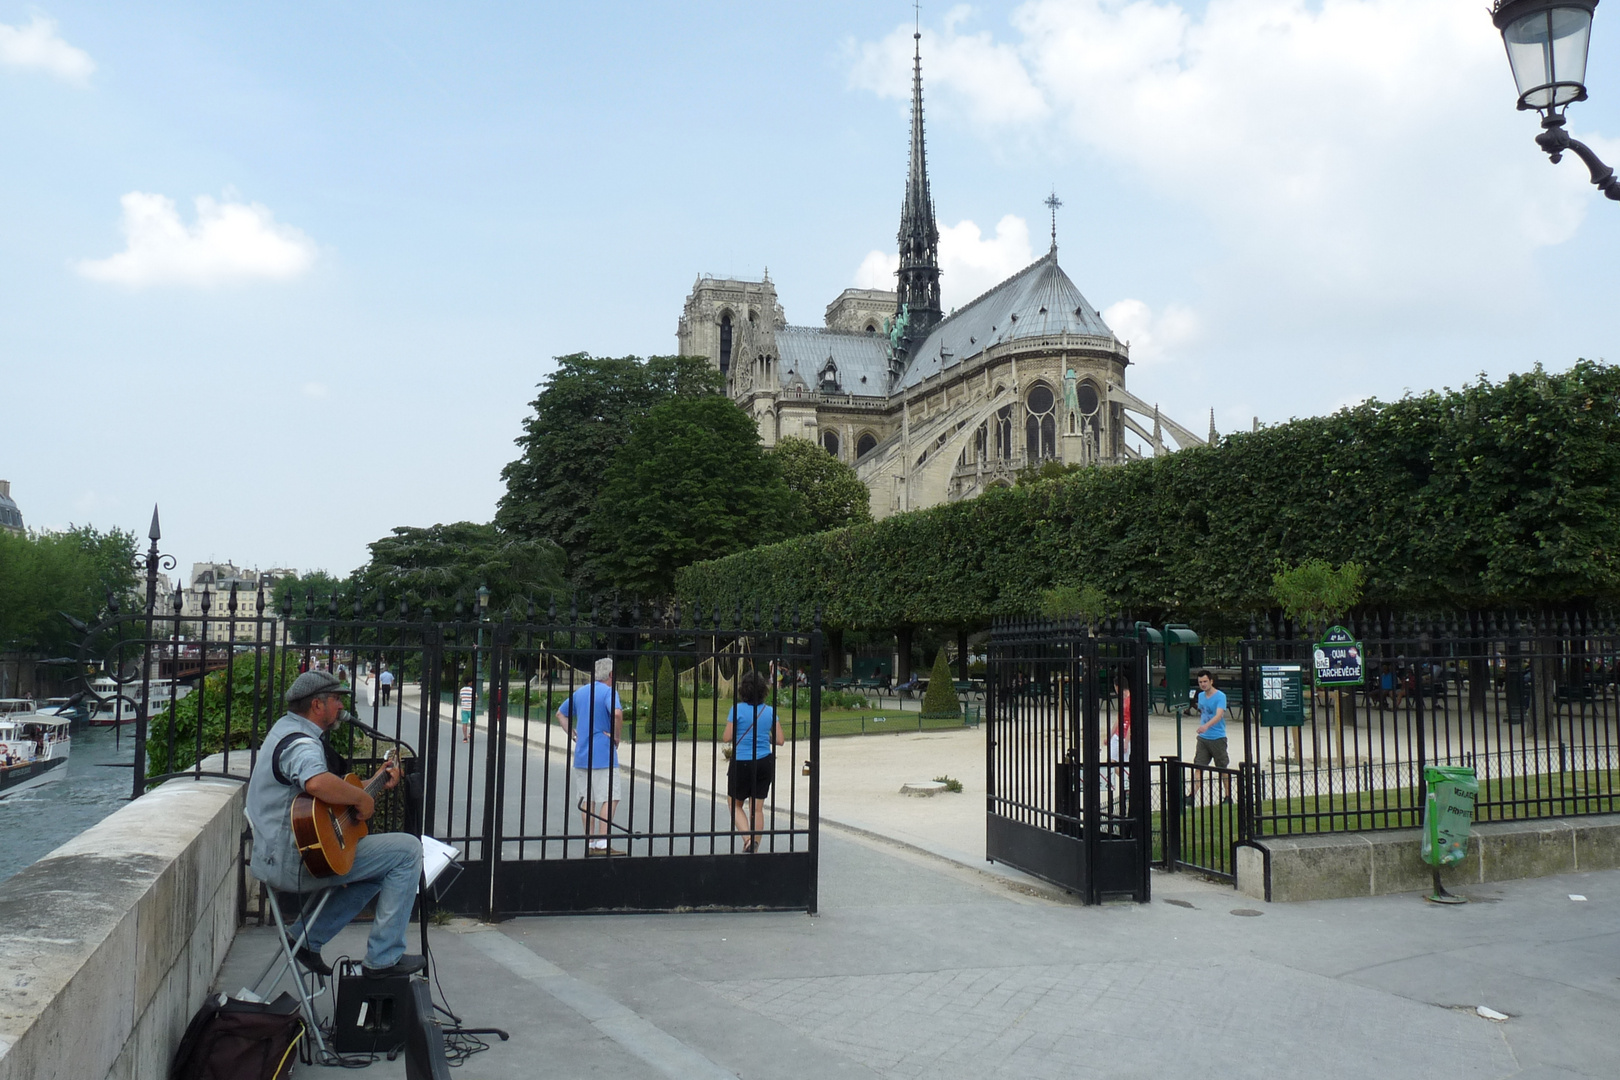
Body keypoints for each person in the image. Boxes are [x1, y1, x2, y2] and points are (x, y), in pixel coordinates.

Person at [245, 670, 423, 979]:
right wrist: (363, 800)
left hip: (284, 854)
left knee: (380, 871)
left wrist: (376, 782)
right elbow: (316, 783)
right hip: (298, 862)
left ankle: (306, 939)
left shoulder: (285, 729)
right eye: (337, 700)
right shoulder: (301, 744)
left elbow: (325, 795)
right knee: (407, 851)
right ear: (317, 705)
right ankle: (383, 959)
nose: (341, 706)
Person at [557, 658, 624, 856]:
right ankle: (603, 842)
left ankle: (590, 840)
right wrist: (617, 736)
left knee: (588, 799)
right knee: (611, 797)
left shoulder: (582, 692)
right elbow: (617, 714)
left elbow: (560, 714)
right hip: (603, 752)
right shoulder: (608, 692)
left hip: (582, 753)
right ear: (611, 675)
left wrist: (572, 733)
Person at [723, 670, 783, 854]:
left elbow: (727, 738)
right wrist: (764, 737)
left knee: (735, 804)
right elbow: (780, 740)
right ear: (763, 690)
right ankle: (755, 847)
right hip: (764, 761)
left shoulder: (737, 709)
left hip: (741, 761)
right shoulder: (770, 711)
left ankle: (748, 840)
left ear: (743, 690)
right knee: (757, 808)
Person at [1193, 669, 1232, 803]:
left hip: (1217, 737)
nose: (1203, 684)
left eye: (1205, 681)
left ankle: (1228, 795)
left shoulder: (1220, 696)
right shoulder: (1201, 696)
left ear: (1211, 681)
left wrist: (1206, 726)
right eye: (1200, 682)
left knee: (1222, 767)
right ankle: (1192, 794)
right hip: (1204, 738)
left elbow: (1219, 715)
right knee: (1198, 766)